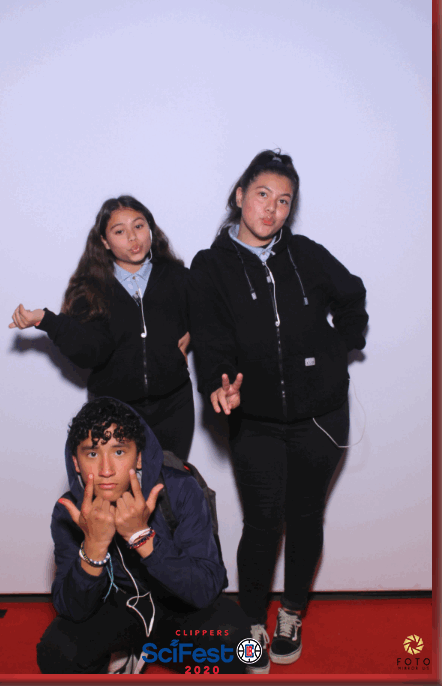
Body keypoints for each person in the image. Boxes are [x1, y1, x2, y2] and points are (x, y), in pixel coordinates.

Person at [188, 150, 368, 674]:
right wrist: (218, 384)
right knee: (263, 524)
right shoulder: (211, 266)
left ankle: (291, 613)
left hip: (321, 417)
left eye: (284, 201)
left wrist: (339, 346)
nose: (271, 209)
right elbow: (211, 338)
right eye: (263, 194)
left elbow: (352, 294)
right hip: (256, 420)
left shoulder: (305, 254)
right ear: (240, 195)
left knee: (306, 518)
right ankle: (251, 622)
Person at [36, 397, 251, 674]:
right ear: (76, 463)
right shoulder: (70, 512)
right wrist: (94, 547)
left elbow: (206, 588)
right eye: (92, 454)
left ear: (138, 456)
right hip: (116, 611)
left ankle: (147, 651)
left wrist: (142, 537)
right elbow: (71, 609)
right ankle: (125, 651)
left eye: (118, 451)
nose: (106, 470)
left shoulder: (179, 490)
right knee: (56, 651)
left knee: (233, 638)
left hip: (177, 610)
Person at [9, 195, 193, 460]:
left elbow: (212, 315)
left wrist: (194, 332)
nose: (132, 237)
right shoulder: (91, 289)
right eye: (119, 231)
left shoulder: (177, 277)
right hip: (114, 412)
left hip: (174, 408)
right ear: (105, 242)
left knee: (171, 483)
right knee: (120, 485)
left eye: (139, 226)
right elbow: (89, 352)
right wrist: (45, 319)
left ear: (150, 228)